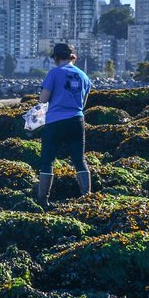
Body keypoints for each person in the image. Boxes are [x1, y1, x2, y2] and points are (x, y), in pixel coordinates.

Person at [36, 43, 92, 208]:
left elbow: (43, 99)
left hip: (55, 122)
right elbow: (83, 104)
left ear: (56, 57)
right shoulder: (84, 76)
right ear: (72, 57)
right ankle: (87, 197)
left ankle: (43, 200)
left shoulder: (54, 73)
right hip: (76, 121)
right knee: (79, 159)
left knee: (47, 160)